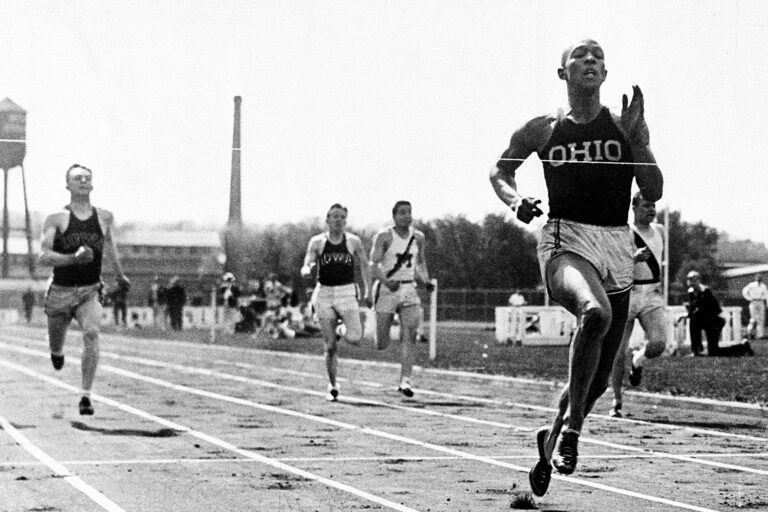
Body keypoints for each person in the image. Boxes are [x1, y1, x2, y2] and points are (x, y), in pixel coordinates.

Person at [489, 39, 663, 497]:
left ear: (604, 74)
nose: (591, 60)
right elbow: (499, 171)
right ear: (562, 72)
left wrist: (640, 140)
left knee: (601, 379)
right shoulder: (543, 129)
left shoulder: (623, 127)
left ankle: (552, 435)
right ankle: (572, 434)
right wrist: (515, 200)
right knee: (596, 314)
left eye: (599, 57)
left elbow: (654, 188)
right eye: (581, 56)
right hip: (565, 240)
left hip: (616, 243)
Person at [38, 163, 130, 416]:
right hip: (60, 290)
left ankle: (86, 396)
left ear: (92, 184)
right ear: (67, 185)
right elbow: (43, 256)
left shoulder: (104, 217)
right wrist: (73, 259)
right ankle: (56, 352)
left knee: (91, 333)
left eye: (87, 178)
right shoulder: (56, 218)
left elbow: (110, 246)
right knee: (57, 349)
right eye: (77, 178)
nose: (83, 181)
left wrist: (120, 275)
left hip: (89, 289)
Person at [300, 203, 371, 402]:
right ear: (327, 219)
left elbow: (365, 266)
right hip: (324, 293)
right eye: (335, 216)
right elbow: (308, 260)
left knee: (356, 337)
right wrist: (307, 269)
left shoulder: (353, 242)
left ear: (345, 220)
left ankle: (341, 331)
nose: (338, 220)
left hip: (347, 292)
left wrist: (367, 290)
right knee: (330, 346)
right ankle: (332, 384)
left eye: (342, 217)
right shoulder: (318, 242)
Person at [609, 192, 667, 418]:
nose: (651, 210)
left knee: (659, 343)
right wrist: (634, 257)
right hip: (628, 293)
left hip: (651, 292)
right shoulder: (624, 231)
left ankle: (639, 360)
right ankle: (617, 400)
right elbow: (613, 264)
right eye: (646, 206)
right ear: (634, 207)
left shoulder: (660, 230)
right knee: (618, 351)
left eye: (653, 206)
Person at [370, 200, 433, 398]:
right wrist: (387, 282)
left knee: (410, 335)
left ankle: (405, 380)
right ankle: (384, 332)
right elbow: (374, 265)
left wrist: (426, 281)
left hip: (408, 288)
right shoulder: (384, 236)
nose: (406, 216)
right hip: (387, 288)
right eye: (402, 212)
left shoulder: (418, 237)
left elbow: (420, 264)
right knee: (382, 342)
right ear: (394, 215)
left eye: (409, 212)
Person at [686, 271, 753, 357]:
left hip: (715, 320)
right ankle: (697, 350)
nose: (692, 282)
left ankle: (743, 347)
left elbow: (707, 308)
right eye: (690, 280)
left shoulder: (706, 291)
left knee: (713, 352)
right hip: (704, 319)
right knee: (693, 322)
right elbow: (693, 309)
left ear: (699, 280)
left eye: (694, 280)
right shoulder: (691, 292)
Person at [741, 273, 768, 340]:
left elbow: (767, 295)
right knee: (753, 319)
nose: (759, 279)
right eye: (757, 277)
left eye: (760, 278)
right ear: (755, 278)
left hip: (761, 302)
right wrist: (749, 298)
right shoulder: (751, 285)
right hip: (753, 302)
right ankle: (749, 333)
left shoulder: (763, 286)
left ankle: (760, 335)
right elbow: (744, 291)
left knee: (761, 319)